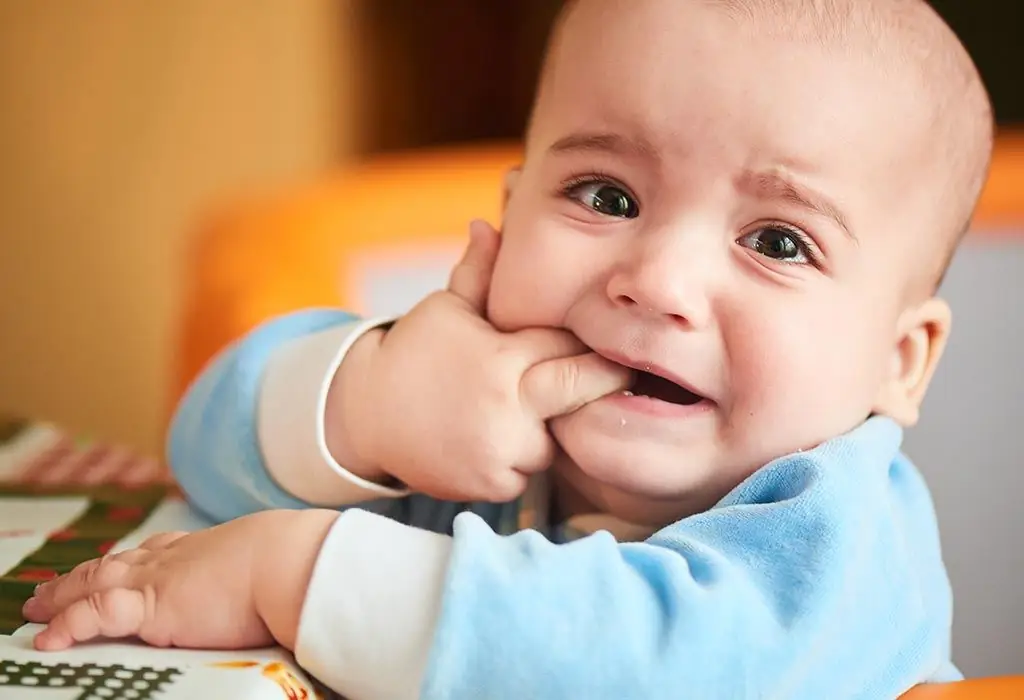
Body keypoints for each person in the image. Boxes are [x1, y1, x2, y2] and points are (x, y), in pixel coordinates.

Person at [23, 0, 994, 698]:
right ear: (507, 214)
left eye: (777, 242)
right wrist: (367, 405)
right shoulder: (472, 418)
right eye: (605, 196)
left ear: (898, 361)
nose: (654, 280)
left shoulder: (841, 539)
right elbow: (206, 449)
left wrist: (291, 572)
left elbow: (659, 666)